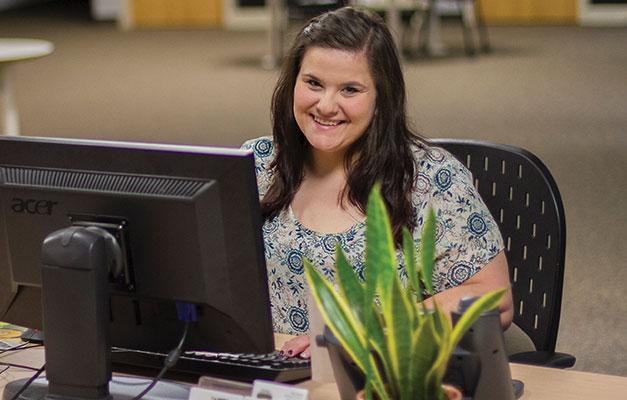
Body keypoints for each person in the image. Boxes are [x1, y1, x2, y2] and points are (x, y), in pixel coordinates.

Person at [241, 6, 513, 359]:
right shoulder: (258, 163)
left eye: (350, 90)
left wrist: (370, 333)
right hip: (270, 377)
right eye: (313, 83)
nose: (326, 105)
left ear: (381, 98)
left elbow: (495, 299)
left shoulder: (431, 179)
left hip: (384, 375)